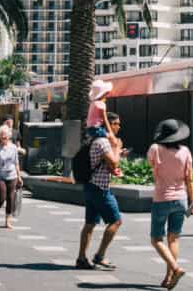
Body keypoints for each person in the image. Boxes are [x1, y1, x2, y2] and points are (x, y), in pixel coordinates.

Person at [148, 119, 193, 290]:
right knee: (174, 239)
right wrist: (192, 202)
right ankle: (168, 277)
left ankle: (175, 269)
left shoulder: (155, 149)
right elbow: (189, 179)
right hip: (181, 199)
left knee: (156, 239)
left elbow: (152, 166)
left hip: (161, 198)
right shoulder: (185, 151)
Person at [76, 112, 124, 271]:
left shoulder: (95, 140)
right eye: (116, 123)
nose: (119, 126)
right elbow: (114, 161)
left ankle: (81, 258)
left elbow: (109, 166)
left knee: (90, 223)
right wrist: (117, 148)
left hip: (90, 186)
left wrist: (114, 166)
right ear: (108, 125)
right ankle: (100, 256)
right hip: (100, 189)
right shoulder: (103, 142)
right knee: (116, 221)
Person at [0, 124, 23, 229]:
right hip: (0, 176)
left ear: (9, 136)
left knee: (10, 198)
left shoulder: (13, 148)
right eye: (1, 135)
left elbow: (16, 163)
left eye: (5, 135)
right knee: (2, 197)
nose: (3, 137)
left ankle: (7, 221)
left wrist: (19, 176)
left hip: (12, 175)